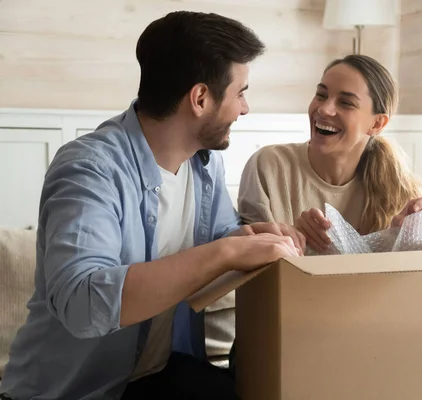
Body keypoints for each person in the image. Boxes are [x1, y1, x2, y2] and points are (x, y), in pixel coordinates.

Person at [0, 11, 305, 400]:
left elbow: (210, 245)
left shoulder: (205, 163)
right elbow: (82, 303)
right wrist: (226, 250)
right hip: (73, 391)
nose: (245, 108)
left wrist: (245, 238)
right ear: (200, 98)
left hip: (156, 374)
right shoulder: (90, 169)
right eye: (240, 92)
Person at [235, 54, 422, 393]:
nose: (324, 109)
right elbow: (252, 280)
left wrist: (400, 237)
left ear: (376, 124)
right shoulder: (269, 165)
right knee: (247, 358)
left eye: (345, 102)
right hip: (289, 330)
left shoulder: (395, 185)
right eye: (321, 94)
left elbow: (400, 302)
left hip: (365, 332)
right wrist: (294, 239)